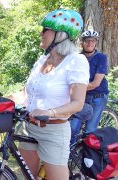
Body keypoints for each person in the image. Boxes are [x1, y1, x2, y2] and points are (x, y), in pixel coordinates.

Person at [9, 9, 89, 179]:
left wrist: (49, 112)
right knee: (29, 176)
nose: (41, 33)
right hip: (28, 128)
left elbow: (77, 103)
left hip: (53, 130)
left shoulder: (76, 61)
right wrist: (4, 99)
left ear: (60, 35)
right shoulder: (41, 61)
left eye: (45, 29)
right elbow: (26, 93)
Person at [70, 30, 109, 138]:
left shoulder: (101, 57)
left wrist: (75, 90)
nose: (90, 43)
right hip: (81, 97)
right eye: (87, 40)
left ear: (96, 42)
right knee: (72, 128)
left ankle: (87, 154)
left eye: (93, 41)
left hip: (97, 96)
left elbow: (96, 83)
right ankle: (70, 154)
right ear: (82, 43)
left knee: (90, 130)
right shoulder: (76, 58)